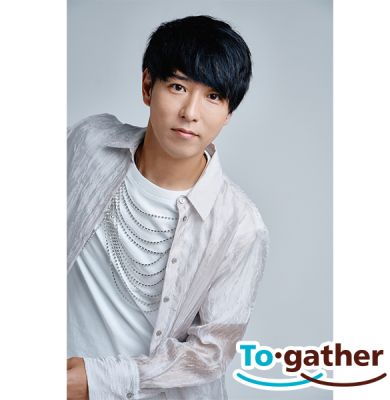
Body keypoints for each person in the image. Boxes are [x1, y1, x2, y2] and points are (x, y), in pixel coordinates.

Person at [67, 15, 269, 400]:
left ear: (229, 112)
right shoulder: (89, 144)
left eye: (213, 97)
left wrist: (98, 380)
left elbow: (210, 353)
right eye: (178, 86)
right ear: (148, 86)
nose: (191, 112)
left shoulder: (239, 225)